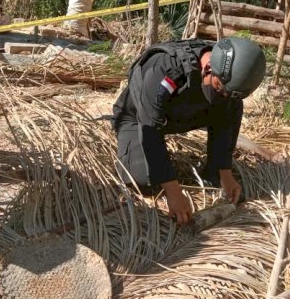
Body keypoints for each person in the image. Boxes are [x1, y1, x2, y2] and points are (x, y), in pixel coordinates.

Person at [112, 37, 266, 225]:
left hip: (181, 114)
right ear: (208, 69)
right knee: (143, 181)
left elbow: (226, 120)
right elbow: (150, 130)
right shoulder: (165, 70)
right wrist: (172, 189)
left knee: (233, 106)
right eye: (220, 88)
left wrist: (224, 172)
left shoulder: (226, 80)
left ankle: (213, 171)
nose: (223, 95)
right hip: (137, 118)